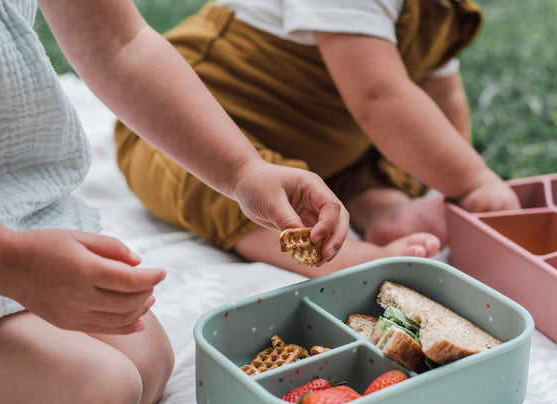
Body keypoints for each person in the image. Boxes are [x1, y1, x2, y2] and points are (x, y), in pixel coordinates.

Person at [0, 0, 351, 404]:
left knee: (147, 360)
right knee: (98, 396)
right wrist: (8, 264)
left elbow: (120, 44)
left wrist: (243, 171)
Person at [115, 0, 521, 278]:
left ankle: (381, 209)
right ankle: (339, 256)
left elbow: (441, 92)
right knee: (239, 187)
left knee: (372, 152)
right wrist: (473, 180)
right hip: (193, 130)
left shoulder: (441, 9)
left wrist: (454, 186)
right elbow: (378, 98)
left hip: (321, 143)